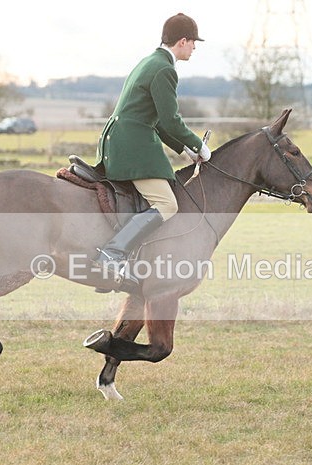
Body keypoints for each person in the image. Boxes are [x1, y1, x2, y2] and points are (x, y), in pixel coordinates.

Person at [93, 13, 211, 287]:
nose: (194, 48)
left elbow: (156, 119)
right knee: (167, 204)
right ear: (183, 41)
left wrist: (184, 150)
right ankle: (112, 253)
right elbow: (170, 120)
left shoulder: (150, 62)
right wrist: (199, 146)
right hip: (132, 145)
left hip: (122, 138)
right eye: (193, 42)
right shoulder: (165, 69)